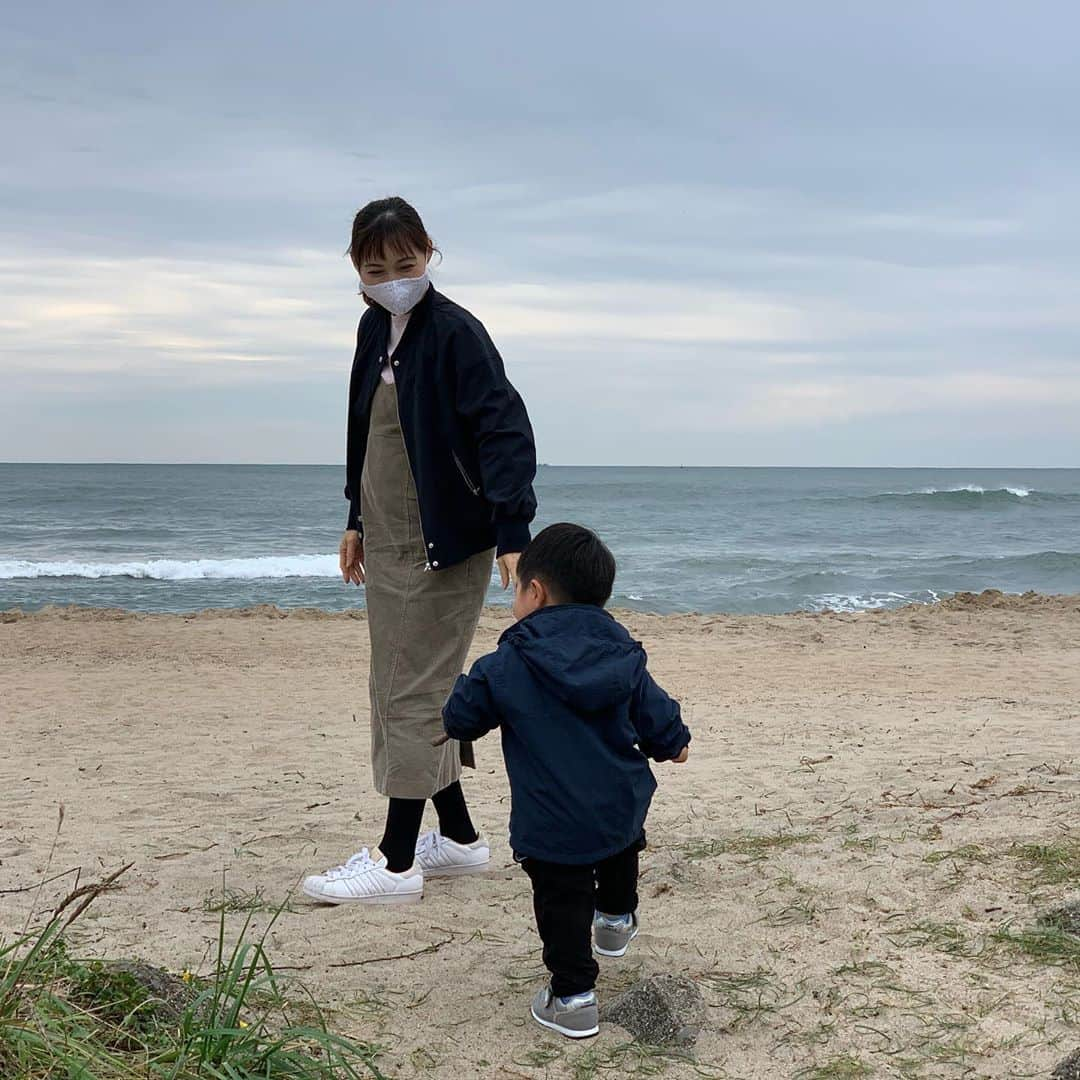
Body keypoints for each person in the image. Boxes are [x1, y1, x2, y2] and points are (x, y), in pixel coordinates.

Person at [303, 197, 537, 905]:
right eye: (377, 267)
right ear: (356, 268)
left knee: (412, 690)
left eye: (406, 264)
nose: (394, 278)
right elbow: (363, 430)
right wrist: (355, 518)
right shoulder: (375, 327)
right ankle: (459, 841)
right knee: (401, 684)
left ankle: (398, 860)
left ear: (430, 253)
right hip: (389, 535)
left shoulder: (456, 333)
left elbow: (504, 430)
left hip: (444, 543)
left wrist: (512, 532)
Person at [441, 523, 691, 1038]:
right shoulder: (622, 654)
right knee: (620, 849)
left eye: (516, 587)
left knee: (561, 898)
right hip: (619, 803)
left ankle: (574, 997)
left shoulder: (507, 663)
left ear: (536, 592)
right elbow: (660, 718)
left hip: (550, 820)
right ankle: (617, 922)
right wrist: (674, 742)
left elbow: (461, 720)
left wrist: (465, 684)